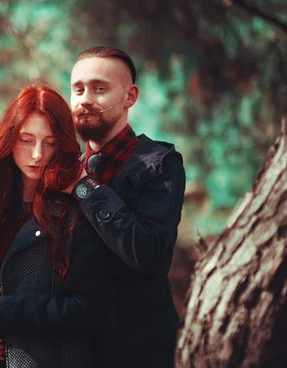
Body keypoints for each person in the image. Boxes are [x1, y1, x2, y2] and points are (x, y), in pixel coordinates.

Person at [0, 85, 115, 368]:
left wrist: (1, 312)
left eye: (49, 143)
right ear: (9, 139)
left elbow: (89, 310)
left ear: (62, 145)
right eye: (26, 140)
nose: (38, 154)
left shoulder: (77, 212)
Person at [64, 46, 186, 368]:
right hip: (76, 347)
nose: (85, 99)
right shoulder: (64, 171)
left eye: (99, 88)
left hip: (140, 349)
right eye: (78, 89)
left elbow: (148, 253)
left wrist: (85, 188)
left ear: (130, 96)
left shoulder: (159, 163)